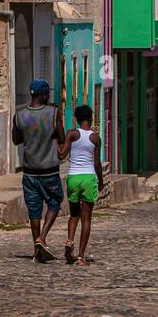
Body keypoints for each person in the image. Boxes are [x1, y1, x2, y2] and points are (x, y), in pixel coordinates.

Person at [11, 79, 66, 263]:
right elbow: (62, 136)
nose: (48, 96)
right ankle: (42, 237)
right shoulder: (53, 113)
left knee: (34, 211)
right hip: (49, 170)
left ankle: (37, 250)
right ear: (43, 95)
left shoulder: (19, 116)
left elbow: (16, 140)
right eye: (47, 93)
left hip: (29, 171)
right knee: (55, 201)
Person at [58, 104, 104, 265]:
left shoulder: (71, 134)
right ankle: (80, 256)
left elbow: (62, 154)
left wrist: (56, 142)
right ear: (90, 119)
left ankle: (70, 240)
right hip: (88, 177)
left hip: (73, 177)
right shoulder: (95, 138)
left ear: (77, 119)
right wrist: (101, 181)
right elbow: (97, 163)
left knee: (74, 214)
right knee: (86, 219)